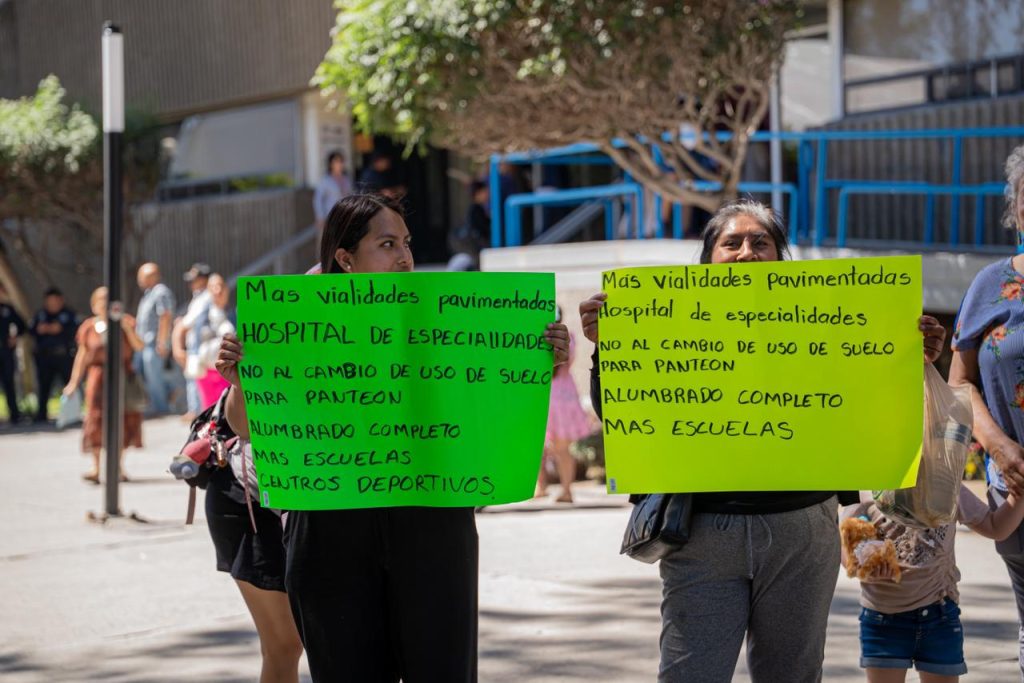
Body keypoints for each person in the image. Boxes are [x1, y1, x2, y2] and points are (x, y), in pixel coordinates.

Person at [579, 199, 946, 683]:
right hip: (702, 534)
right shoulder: (665, 323)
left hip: (802, 529)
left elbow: (866, 398)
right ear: (709, 258)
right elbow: (626, 416)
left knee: (792, 675)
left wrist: (911, 355)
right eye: (732, 242)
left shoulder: (826, 321)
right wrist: (610, 349)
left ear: (780, 256)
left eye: (761, 242)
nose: (747, 252)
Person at [216, 193, 570, 682]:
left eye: (405, 242)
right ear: (345, 257)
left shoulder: (447, 318)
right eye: (386, 244)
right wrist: (242, 379)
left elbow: (489, 403)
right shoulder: (295, 320)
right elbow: (243, 425)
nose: (404, 256)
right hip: (330, 525)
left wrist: (539, 360)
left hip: (431, 522)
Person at [948, 142, 1024, 676]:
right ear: (1016, 208)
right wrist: (999, 445)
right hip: (1017, 494)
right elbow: (960, 384)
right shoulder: (989, 286)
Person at [842, 484, 1024, 682]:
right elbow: (843, 544)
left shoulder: (944, 482)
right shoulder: (864, 484)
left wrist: (1019, 493)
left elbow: (995, 526)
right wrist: (864, 564)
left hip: (940, 615)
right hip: (882, 619)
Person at [64, 287, 144, 483]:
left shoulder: (126, 322)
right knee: (96, 420)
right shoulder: (89, 327)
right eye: (101, 301)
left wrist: (125, 328)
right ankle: (96, 467)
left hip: (122, 376)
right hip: (97, 378)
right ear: (93, 305)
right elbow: (82, 356)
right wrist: (74, 382)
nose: (105, 304)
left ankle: (118, 466)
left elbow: (139, 346)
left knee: (123, 418)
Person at [536, 306, 594, 503]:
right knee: (556, 448)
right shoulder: (568, 337)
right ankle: (557, 488)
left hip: (551, 394)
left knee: (547, 447)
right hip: (562, 394)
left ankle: (551, 488)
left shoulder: (544, 337)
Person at [30, 287, 78, 422]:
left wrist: (59, 329)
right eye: (49, 301)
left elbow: (75, 331)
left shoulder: (68, 314)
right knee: (44, 386)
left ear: (61, 300)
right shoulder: (41, 315)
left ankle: (72, 414)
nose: (52, 304)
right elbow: (30, 330)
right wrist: (41, 329)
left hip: (64, 356)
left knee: (69, 385)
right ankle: (41, 414)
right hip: (44, 357)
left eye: (55, 301)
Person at [134, 263, 175, 415]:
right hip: (144, 344)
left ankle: (161, 409)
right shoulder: (148, 294)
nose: (139, 280)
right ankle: (158, 403)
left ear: (153, 276)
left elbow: (165, 316)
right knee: (148, 377)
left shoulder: (160, 292)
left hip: (154, 344)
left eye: (142, 276)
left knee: (155, 378)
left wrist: (162, 342)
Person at [171, 262, 211, 419]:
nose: (191, 283)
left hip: (201, 344)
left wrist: (181, 324)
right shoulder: (199, 297)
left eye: (194, 279)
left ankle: (198, 410)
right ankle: (195, 409)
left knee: (197, 376)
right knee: (193, 376)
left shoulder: (206, 297)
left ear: (202, 279)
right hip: (194, 342)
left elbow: (189, 322)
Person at [194, 274, 234, 409]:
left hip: (230, 372)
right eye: (213, 286)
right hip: (208, 373)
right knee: (211, 415)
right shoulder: (200, 311)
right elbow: (181, 327)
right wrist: (179, 352)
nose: (218, 290)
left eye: (221, 286)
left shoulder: (235, 312)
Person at [448, 180, 491, 271]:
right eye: (485, 191)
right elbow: (483, 227)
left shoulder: (477, 209)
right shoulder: (476, 210)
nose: (488, 194)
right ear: (478, 193)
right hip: (477, 247)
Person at [0, 283, 26, 425]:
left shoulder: (7, 309)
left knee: (9, 384)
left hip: (5, 353)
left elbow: (22, 326)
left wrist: (15, 338)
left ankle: (14, 415)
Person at [313, 150, 354, 233]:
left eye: (341, 161)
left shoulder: (346, 179)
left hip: (345, 215)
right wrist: (320, 217)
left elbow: (351, 195)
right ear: (330, 164)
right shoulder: (325, 180)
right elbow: (318, 200)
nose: (339, 164)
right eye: (336, 162)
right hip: (330, 216)